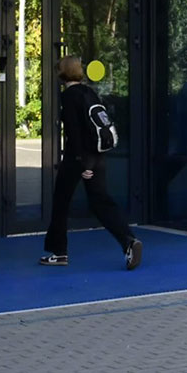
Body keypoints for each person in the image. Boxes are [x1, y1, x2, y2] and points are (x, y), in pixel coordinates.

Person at [40, 55, 143, 270]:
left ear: (62, 73)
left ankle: (59, 252)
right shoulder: (89, 92)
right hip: (98, 155)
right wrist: (91, 161)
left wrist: (82, 163)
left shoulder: (69, 96)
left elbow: (74, 133)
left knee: (60, 202)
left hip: (77, 158)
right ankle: (129, 241)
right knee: (101, 201)